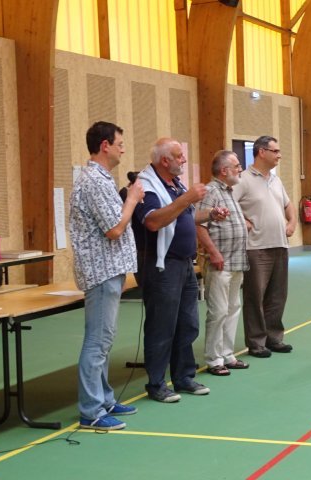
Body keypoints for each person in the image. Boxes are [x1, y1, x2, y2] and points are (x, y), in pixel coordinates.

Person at [134, 138, 227, 403]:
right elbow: (153, 221)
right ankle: (156, 383)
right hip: (162, 266)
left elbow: (184, 216)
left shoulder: (174, 184)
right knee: (162, 326)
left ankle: (183, 377)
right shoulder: (146, 187)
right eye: (179, 156)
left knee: (187, 323)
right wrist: (187, 198)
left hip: (185, 264)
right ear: (165, 161)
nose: (183, 160)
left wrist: (210, 215)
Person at [69, 121, 145, 431]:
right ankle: (91, 411)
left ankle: (104, 399)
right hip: (101, 271)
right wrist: (132, 200)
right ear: (105, 146)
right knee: (97, 342)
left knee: (104, 339)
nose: (123, 150)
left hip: (109, 269)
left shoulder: (101, 179)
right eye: (120, 144)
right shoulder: (93, 182)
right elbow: (114, 229)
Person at [233, 136, 297, 358]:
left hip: (280, 244)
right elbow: (229, 204)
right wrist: (243, 220)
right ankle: (256, 342)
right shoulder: (243, 179)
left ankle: (274, 338)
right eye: (275, 151)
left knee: (278, 295)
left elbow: (288, 205)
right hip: (256, 247)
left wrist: (292, 222)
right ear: (261, 152)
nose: (279, 155)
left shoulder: (276, 180)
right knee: (255, 296)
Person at [196, 150, 250, 376]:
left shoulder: (229, 192)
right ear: (224, 170)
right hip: (220, 262)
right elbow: (199, 224)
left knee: (233, 308)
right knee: (218, 311)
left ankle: (227, 354)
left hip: (236, 260)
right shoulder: (211, 191)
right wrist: (213, 252)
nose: (240, 169)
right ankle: (214, 358)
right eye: (237, 166)